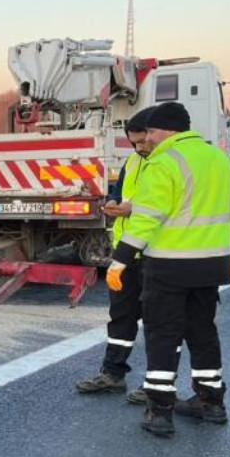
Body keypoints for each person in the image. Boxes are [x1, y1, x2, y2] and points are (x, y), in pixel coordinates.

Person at [107, 102, 230, 438]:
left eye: (151, 132)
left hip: (169, 267)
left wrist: (121, 260)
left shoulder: (164, 162)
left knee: (162, 335)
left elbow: (146, 219)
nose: (148, 140)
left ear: (168, 129)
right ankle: (211, 402)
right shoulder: (226, 161)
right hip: (212, 266)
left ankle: (159, 410)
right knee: (203, 333)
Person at [76, 107, 156, 401]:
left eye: (143, 141)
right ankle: (113, 373)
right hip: (127, 253)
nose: (139, 148)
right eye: (134, 143)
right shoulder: (134, 162)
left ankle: (156, 385)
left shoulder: (168, 163)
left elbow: (167, 205)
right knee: (121, 316)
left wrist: (131, 208)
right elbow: (120, 191)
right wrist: (112, 202)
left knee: (159, 322)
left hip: (157, 254)